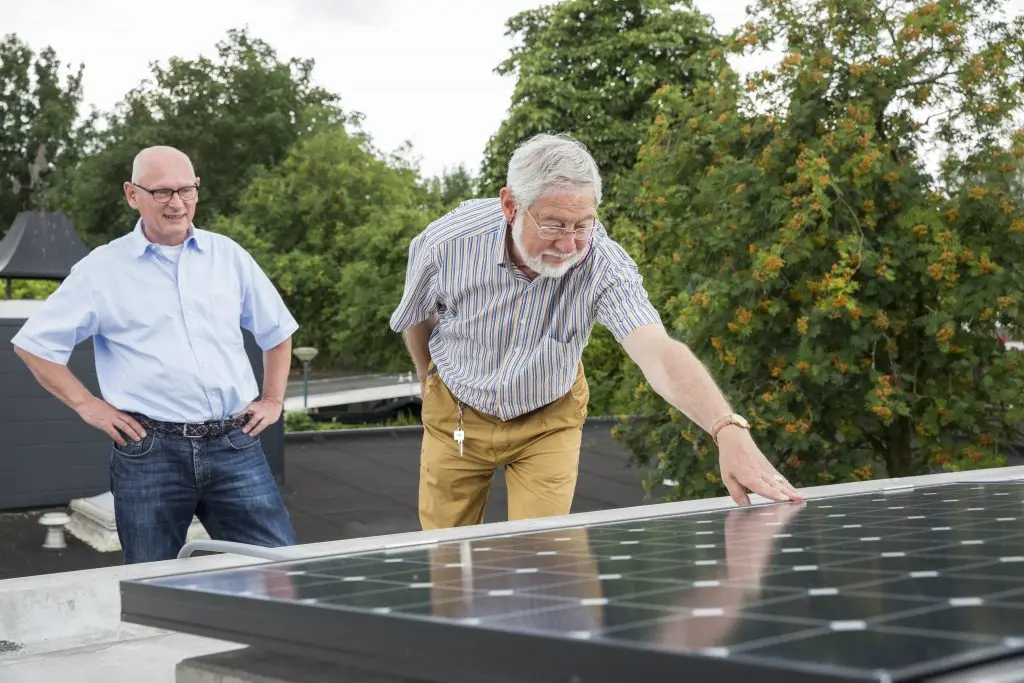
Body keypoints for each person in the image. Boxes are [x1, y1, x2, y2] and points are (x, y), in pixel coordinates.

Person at [390, 132, 803, 531]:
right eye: (553, 225)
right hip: (456, 411)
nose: (569, 246)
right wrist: (429, 378)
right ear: (510, 205)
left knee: (541, 557)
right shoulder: (446, 243)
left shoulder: (603, 264)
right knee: (444, 551)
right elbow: (415, 315)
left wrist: (726, 428)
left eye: (582, 225)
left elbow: (657, 350)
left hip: (548, 416)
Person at [11, 145, 299, 563]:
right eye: (162, 192)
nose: (177, 203)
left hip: (235, 444)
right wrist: (89, 406)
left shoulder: (229, 257)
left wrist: (273, 399)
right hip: (150, 453)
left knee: (281, 572)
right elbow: (33, 345)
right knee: (151, 584)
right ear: (133, 194)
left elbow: (278, 331)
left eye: (187, 189)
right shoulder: (102, 270)